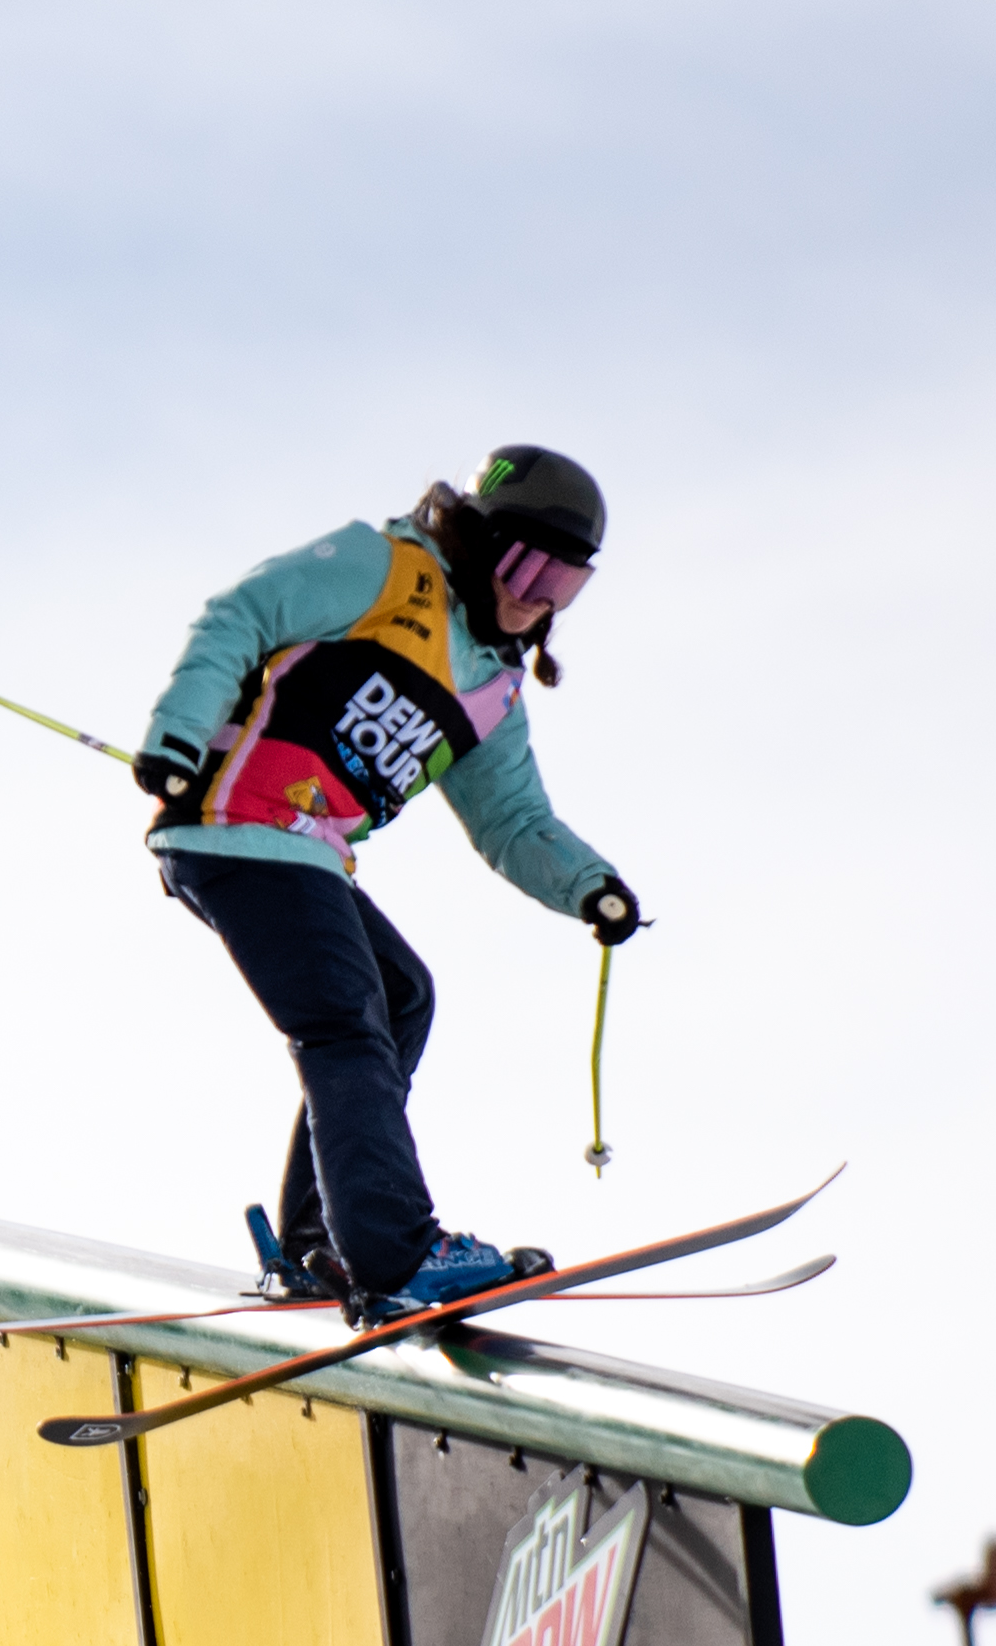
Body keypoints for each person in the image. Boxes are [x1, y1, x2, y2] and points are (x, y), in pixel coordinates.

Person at [127, 444, 645, 1315]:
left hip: (305, 850)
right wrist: (177, 732)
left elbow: (512, 820)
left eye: (564, 584)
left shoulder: (489, 684)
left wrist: (589, 885)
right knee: (345, 1021)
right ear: (482, 542)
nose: (534, 597)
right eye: (524, 565)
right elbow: (240, 614)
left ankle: (316, 1245)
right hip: (235, 827)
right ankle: (394, 1250)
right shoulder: (383, 570)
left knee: (401, 997)